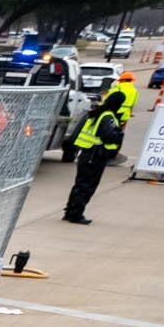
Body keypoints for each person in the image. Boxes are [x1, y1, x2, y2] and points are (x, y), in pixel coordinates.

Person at [63, 89, 128, 225]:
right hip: (95, 155)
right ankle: (75, 214)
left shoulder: (96, 113)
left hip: (87, 154)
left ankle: (71, 212)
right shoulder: (108, 117)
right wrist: (119, 133)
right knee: (87, 186)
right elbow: (108, 136)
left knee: (80, 184)